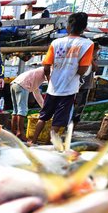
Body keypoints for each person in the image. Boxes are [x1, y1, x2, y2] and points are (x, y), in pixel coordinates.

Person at [28, 12, 94, 145]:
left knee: (43, 117)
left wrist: (50, 79)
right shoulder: (87, 44)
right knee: (58, 121)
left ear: (69, 26)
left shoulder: (56, 42)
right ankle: (50, 146)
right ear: (84, 27)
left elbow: (46, 67)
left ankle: (33, 142)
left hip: (53, 87)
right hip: (69, 89)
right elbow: (82, 70)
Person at [10, 67, 47, 141]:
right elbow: (51, 81)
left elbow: (36, 93)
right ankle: (20, 133)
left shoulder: (37, 74)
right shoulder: (47, 70)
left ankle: (13, 132)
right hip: (22, 85)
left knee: (16, 110)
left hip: (14, 84)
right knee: (22, 110)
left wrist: (43, 107)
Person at [72, 42, 99, 125]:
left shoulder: (94, 57)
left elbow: (95, 69)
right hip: (74, 84)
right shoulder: (81, 54)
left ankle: (72, 127)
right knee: (69, 105)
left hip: (85, 85)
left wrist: (90, 59)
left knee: (79, 108)